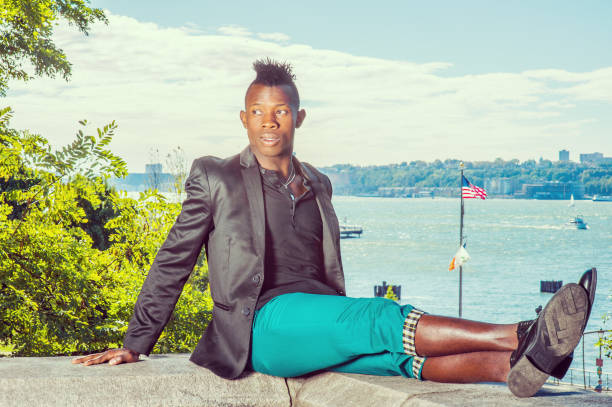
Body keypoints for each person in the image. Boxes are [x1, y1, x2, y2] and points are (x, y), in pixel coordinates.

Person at [73, 59, 597, 398]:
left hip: (318, 314)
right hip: (262, 327)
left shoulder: (318, 183)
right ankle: (523, 334)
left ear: (298, 118)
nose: (269, 121)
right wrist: (136, 342)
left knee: (394, 356)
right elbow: (174, 258)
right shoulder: (216, 175)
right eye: (258, 111)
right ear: (244, 118)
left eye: (280, 111)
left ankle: (510, 366)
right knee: (380, 317)